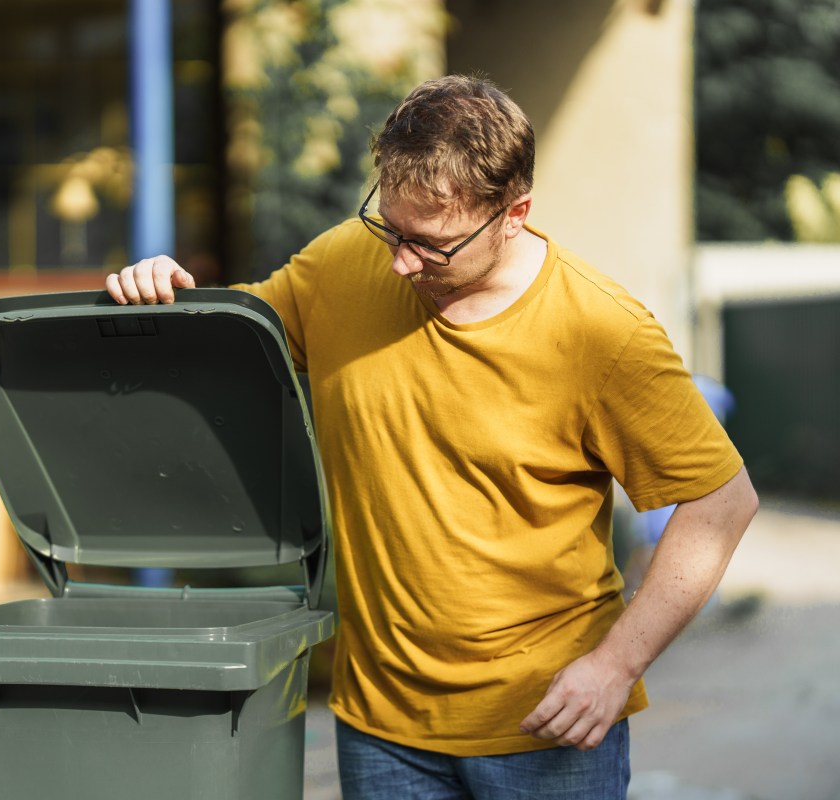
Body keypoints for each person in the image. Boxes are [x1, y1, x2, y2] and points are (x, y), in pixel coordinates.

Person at [106, 75, 758, 799]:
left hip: (545, 730)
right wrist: (167, 293)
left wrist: (617, 665)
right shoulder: (339, 263)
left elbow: (720, 503)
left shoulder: (602, 333)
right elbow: (227, 347)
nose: (398, 262)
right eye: (389, 225)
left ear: (515, 214)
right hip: (380, 730)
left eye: (432, 244)